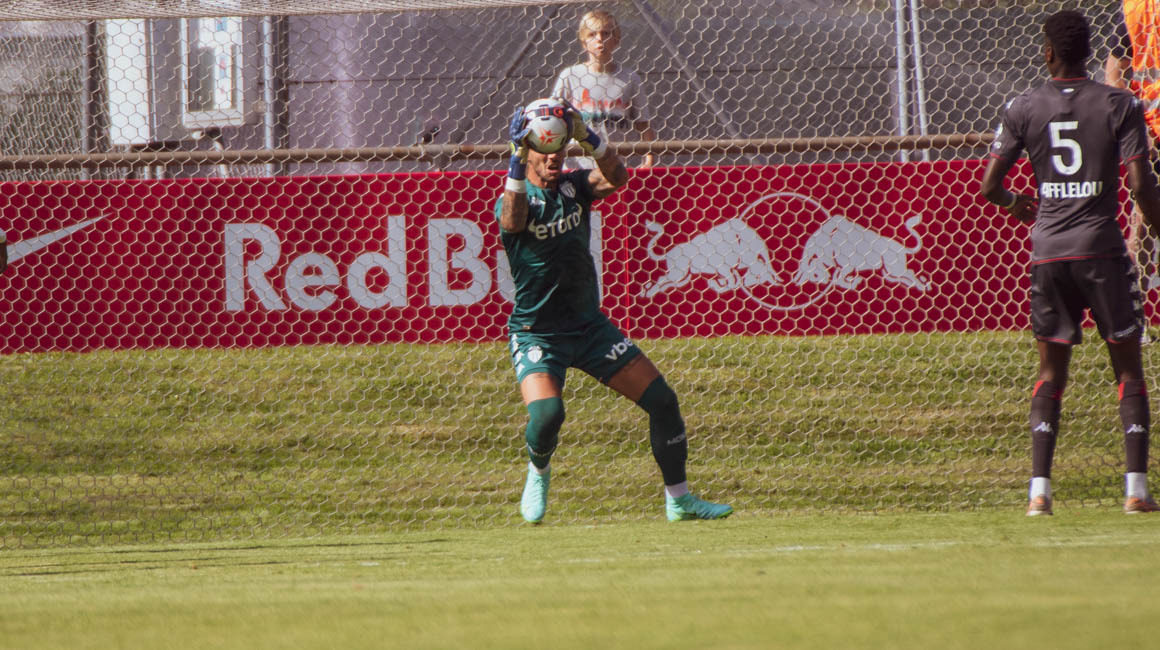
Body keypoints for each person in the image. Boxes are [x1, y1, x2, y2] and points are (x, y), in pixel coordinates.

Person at [496, 101, 731, 523]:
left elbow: (617, 177)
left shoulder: (574, 186)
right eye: (544, 151)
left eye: (560, 149)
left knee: (662, 401)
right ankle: (539, 471)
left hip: (589, 328)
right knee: (548, 414)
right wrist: (515, 157)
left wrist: (588, 137)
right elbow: (512, 223)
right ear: (528, 151)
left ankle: (679, 501)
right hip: (538, 332)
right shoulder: (516, 197)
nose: (553, 158)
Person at [980, 9, 1160, 516]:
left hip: (1050, 254)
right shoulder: (1119, 104)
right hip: (1103, 251)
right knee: (1128, 370)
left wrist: (1016, 204)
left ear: (1048, 53)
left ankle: (1039, 492)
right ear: (1089, 53)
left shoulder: (1023, 106)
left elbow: (990, 186)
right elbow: (1141, 184)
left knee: (1050, 373)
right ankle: (1136, 490)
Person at [1105, 1, 1160, 336]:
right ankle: (1132, 320)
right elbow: (1115, 73)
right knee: (1142, 227)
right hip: (1153, 132)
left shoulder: (1135, 8)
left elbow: (1114, 74)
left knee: (1143, 228)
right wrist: (1135, 126)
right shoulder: (1136, 9)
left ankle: (1131, 322)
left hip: (1150, 130)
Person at [550, 10, 657, 169]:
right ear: (583, 41)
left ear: (616, 39)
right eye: (592, 34)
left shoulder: (629, 78)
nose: (599, 39)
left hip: (615, 166)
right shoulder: (570, 76)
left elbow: (643, 124)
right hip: (576, 167)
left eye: (605, 33)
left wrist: (648, 161)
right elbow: (552, 119)